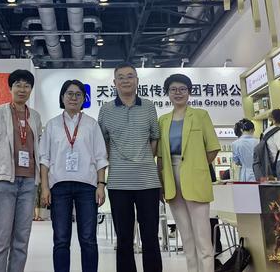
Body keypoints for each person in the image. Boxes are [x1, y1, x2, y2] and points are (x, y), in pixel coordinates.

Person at [98, 63, 162, 272]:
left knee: (150, 236)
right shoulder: (106, 109)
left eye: (130, 76)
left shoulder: (149, 106)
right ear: (114, 82)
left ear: (137, 80)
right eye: (121, 77)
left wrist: (142, 159)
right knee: (124, 238)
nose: (126, 80)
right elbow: (103, 143)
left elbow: (154, 138)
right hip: (118, 183)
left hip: (148, 182)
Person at [39, 79, 108, 272]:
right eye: (69, 93)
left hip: (87, 187)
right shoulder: (52, 125)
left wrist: (101, 185)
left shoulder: (91, 125)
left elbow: (100, 157)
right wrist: (44, 187)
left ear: (84, 99)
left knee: (88, 239)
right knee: (61, 239)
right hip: (59, 187)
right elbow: (44, 159)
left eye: (78, 94)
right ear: (62, 97)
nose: (73, 97)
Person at [0, 69, 42, 272]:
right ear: (10, 88)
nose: (22, 89)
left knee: (22, 239)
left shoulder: (35, 116)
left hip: (29, 183)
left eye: (27, 86)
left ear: (31, 89)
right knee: (1, 239)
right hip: (5, 182)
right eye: (18, 85)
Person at [157, 73, 220, 272]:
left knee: (203, 237)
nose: (178, 93)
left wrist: (197, 167)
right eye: (173, 89)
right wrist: (161, 183)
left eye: (182, 89)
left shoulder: (200, 115)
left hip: (195, 177)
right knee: (186, 236)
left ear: (189, 92)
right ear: (167, 93)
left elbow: (212, 148)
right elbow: (160, 156)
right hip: (171, 178)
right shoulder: (163, 120)